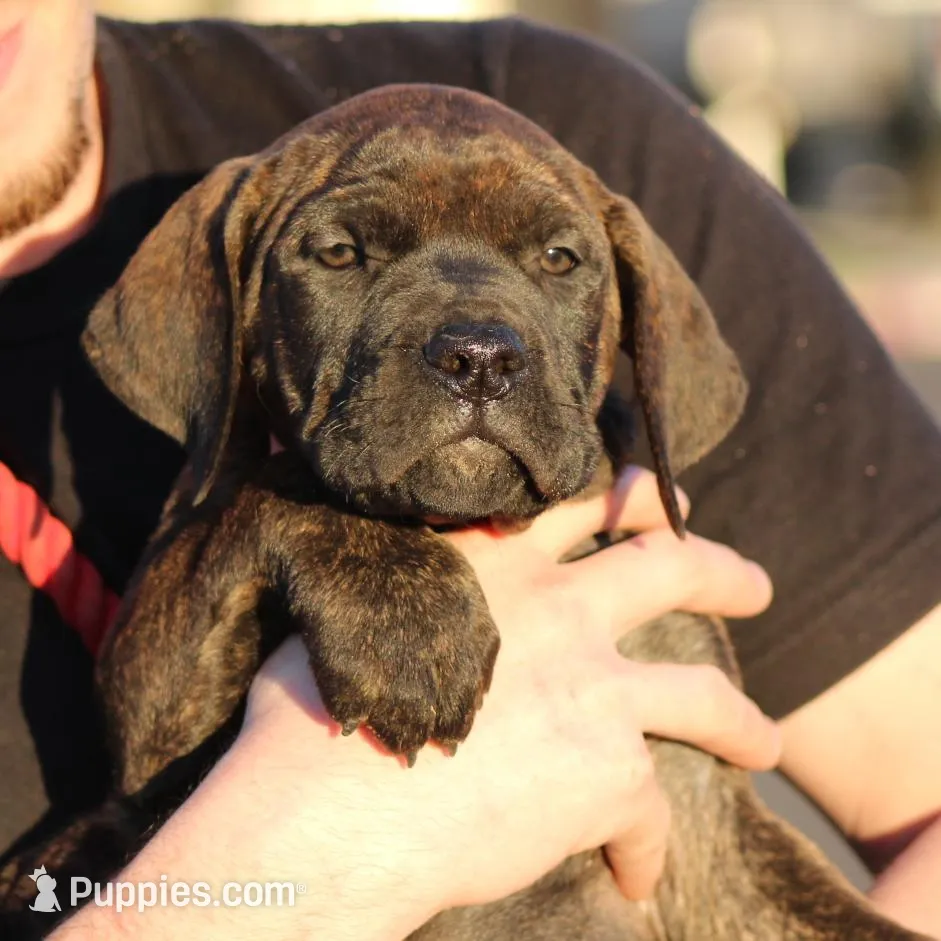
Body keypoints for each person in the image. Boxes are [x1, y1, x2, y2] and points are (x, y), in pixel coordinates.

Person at [0, 1, 938, 936]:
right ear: (227, 325)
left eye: (557, 258)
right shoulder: (239, 501)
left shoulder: (572, 107)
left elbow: (737, 874)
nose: (475, 344)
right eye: (341, 251)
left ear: (637, 334)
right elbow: (150, 734)